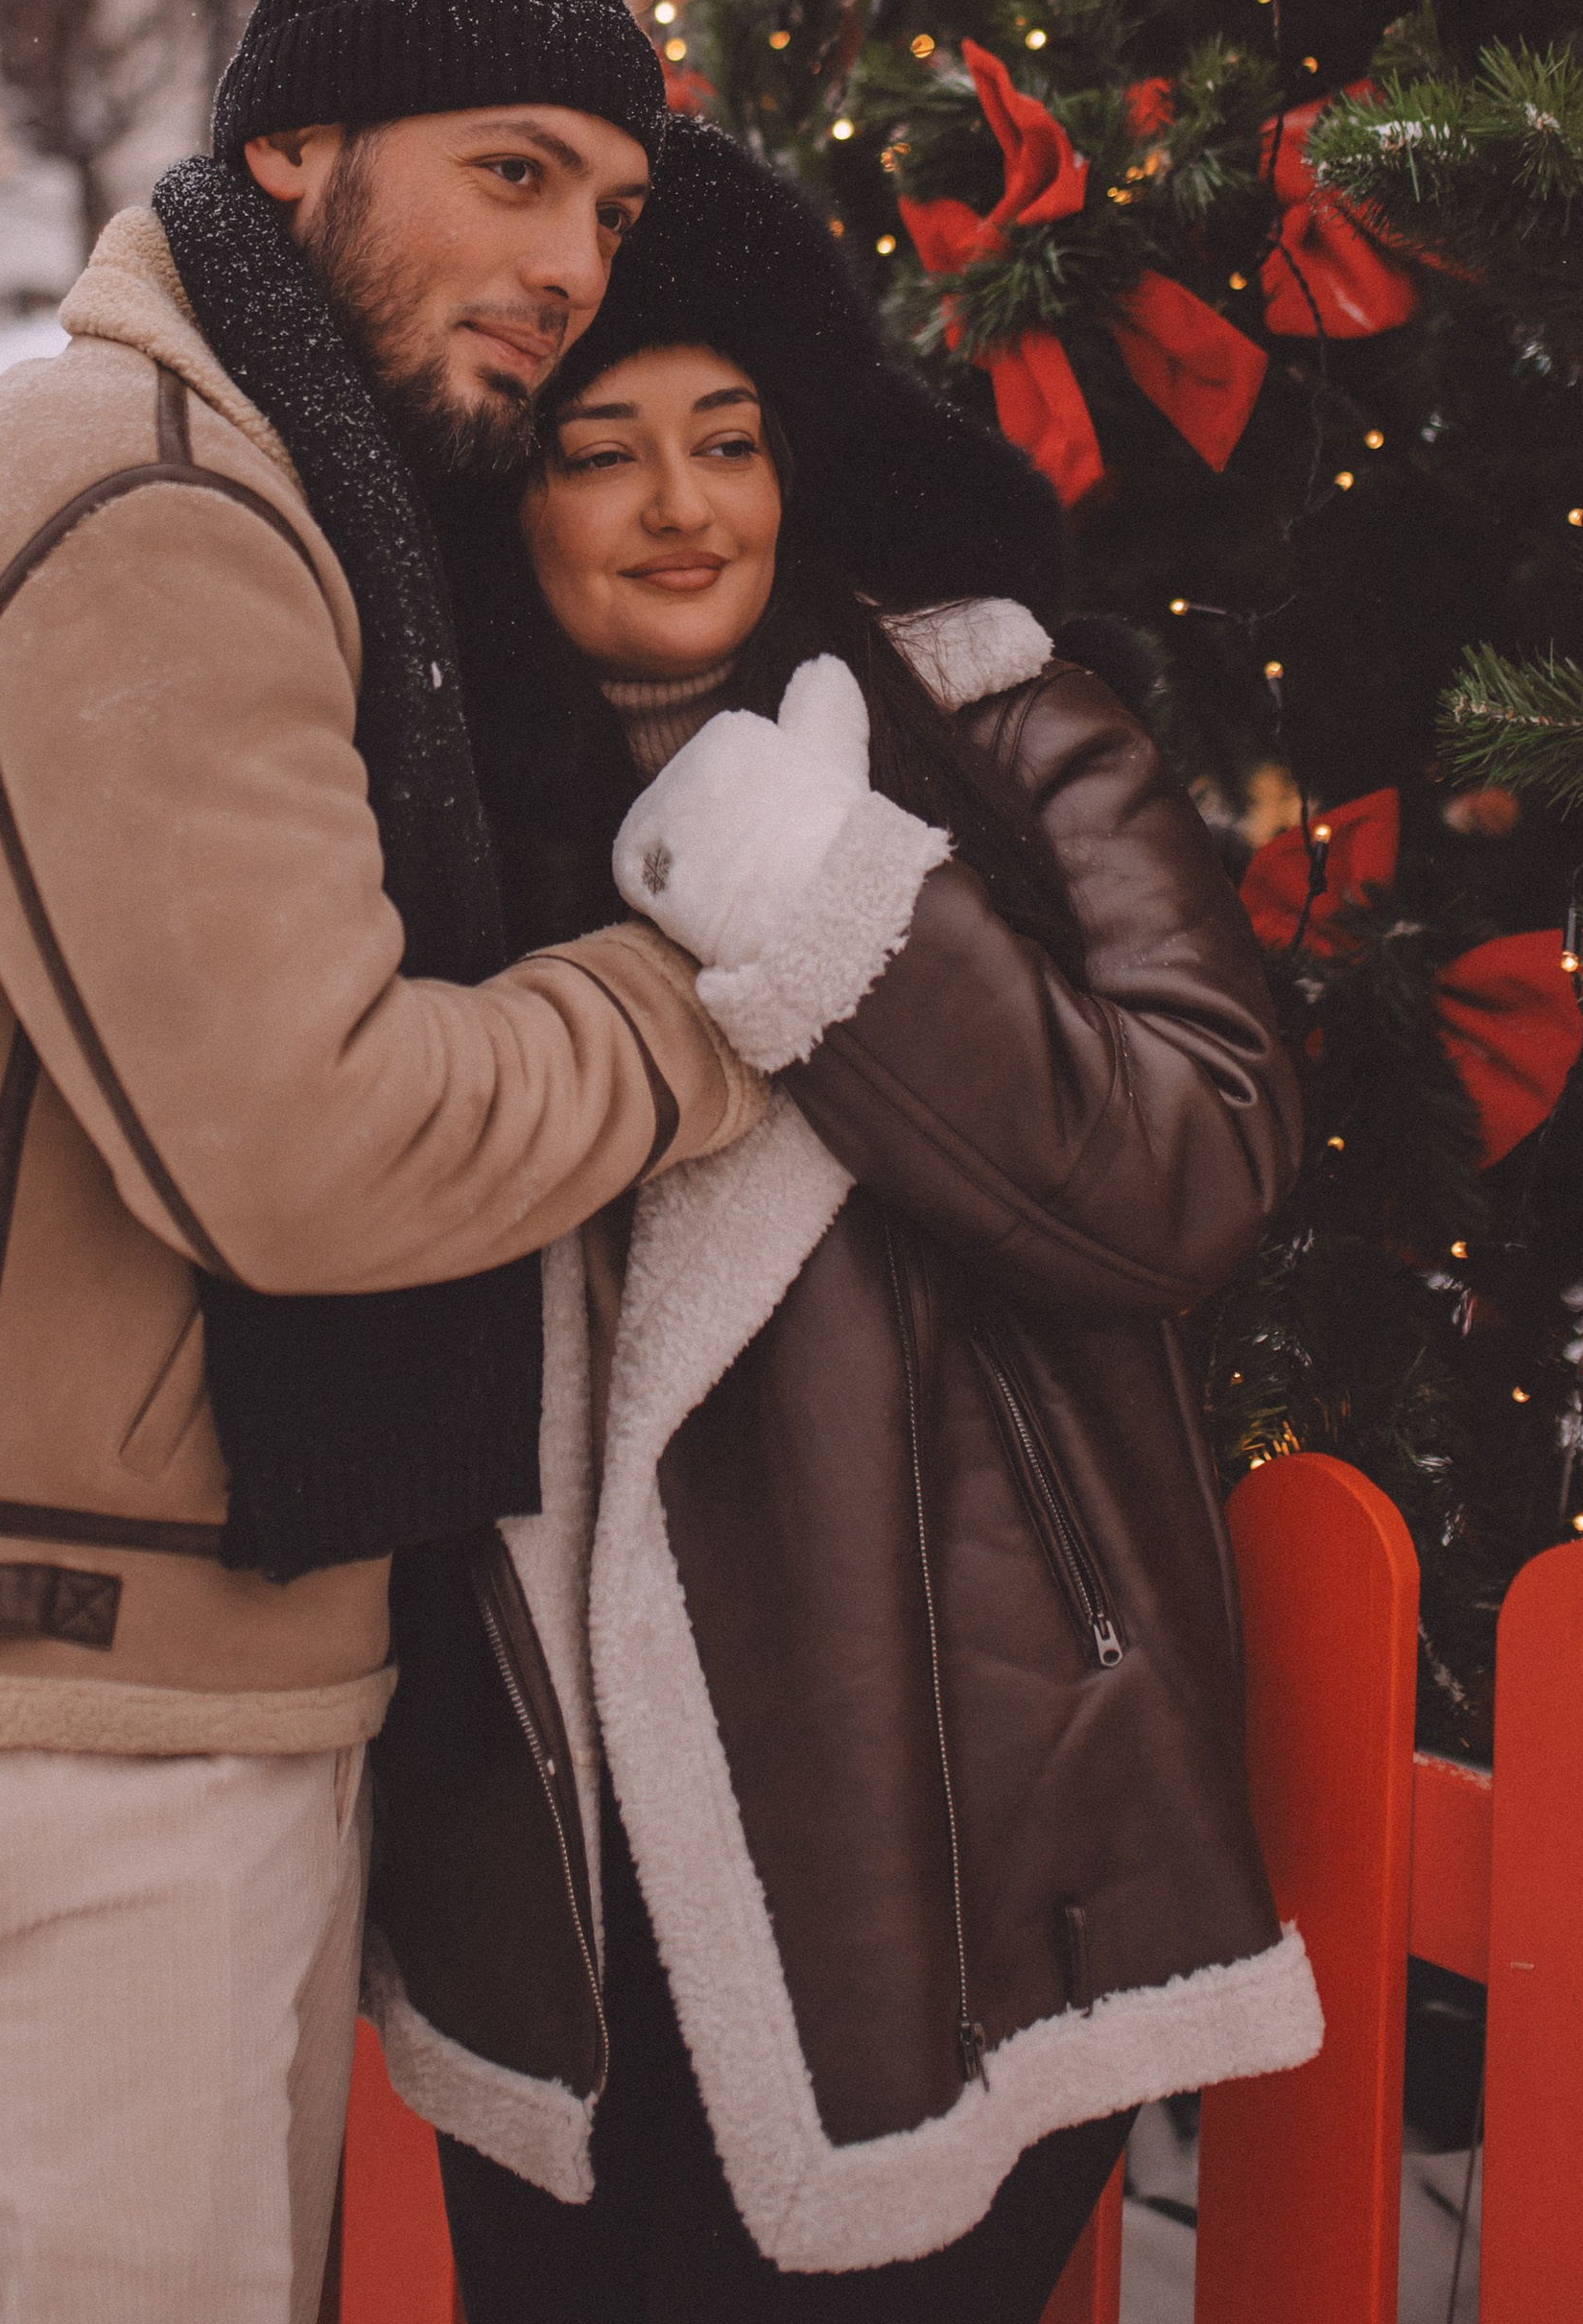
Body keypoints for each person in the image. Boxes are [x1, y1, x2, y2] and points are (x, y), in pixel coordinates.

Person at [0, 0, 769, 2324]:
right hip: (22, 1718)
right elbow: (316, 1142)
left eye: (606, 206)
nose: (570, 259)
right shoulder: (144, 498)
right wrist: (703, 999)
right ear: (292, 146)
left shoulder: (286, 490)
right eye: (510, 172)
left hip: (138, 1682)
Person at [369, 118, 1324, 2322]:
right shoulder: (420, 820)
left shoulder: (1001, 731)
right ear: (510, 494)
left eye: (728, 436)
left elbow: (1190, 1158)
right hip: (569, 1879)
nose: (683, 504)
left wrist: (820, 897)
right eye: (601, 449)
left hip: (955, 1847)